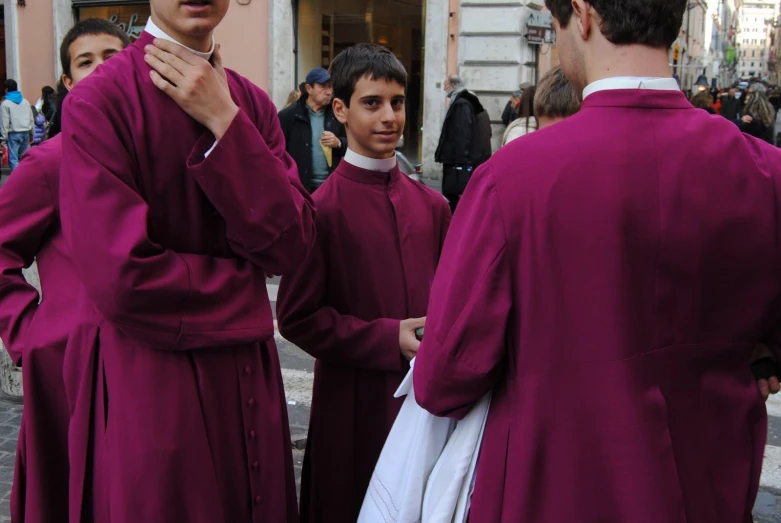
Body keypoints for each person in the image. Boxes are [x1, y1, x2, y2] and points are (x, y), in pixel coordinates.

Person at [413, 0, 781, 520]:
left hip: (556, 490)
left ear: (582, 14)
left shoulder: (511, 177)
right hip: (709, 488)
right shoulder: (768, 174)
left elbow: (443, 377)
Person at [58, 1, 315, 521]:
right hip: (154, 383)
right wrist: (247, 296)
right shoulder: (98, 100)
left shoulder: (251, 104)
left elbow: (291, 244)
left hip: (248, 382)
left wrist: (225, 120)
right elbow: (124, 278)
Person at [277, 43, 451, 523]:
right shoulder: (320, 209)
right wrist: (385, 336)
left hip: (426, 402)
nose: (389, 116)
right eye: (372, 103)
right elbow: (296, 318)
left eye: (397, 102)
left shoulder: (433, 207)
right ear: (341, 110)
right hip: (352, 406)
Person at [0, 19, 129, 523]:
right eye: (86, 60)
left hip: (149, 356)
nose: (102, 67)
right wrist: (27, 330)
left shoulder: (158, 153)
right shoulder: (48, 162)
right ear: (70, 82)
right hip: (71, 364)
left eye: (113, 55)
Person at [278, 68, 347, 192]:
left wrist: (339, 143)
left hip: (332, 185)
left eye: (331, 87)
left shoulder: (338, 114)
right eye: (323, 87)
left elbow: (353, 146)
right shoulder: (288, 116)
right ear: (309, 89)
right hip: (300, 187)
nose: (329, 92)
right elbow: (279, 152)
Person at [435, 74, 492, 213]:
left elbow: (462, 134)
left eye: (445, 84)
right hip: (457, 160)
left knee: (452, 196)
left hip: (455, 161)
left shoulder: (461, 104)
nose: (443, 87)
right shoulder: (465, 101)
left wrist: (461, 161)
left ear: (453, 86)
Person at [0, 79, 33, 172]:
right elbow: (31, 118)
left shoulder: (5, 104)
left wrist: (3, 138)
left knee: (14, 160)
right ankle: (26, 175)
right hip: (26, 132)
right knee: (24, 158)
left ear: (6, 89)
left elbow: (4, 122)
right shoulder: (25, 101)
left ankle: (18, 180)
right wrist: (32, 133)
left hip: (13, 134)